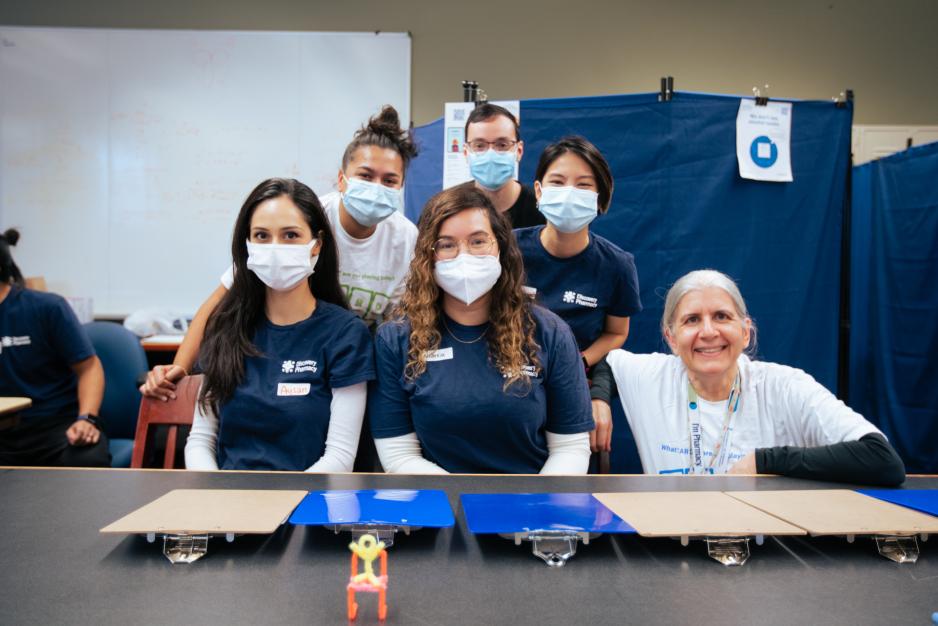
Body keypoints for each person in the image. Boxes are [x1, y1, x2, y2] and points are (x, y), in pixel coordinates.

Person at [142, 105, 416, 400]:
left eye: (389, 180)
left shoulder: (405, 238)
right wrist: (180, 368)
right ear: (341, 179)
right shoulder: (305, 221)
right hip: (284, 360)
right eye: (365, 175)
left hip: (351, 366)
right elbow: (218, 302)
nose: (377, 187)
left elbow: (397, 325)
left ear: (401, 185)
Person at [606, 269, 905, 485]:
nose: (709, 332)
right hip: (669, 552)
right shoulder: (652, 376)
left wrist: (765, 462)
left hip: (766, 555)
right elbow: (604, 365)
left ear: (745, 331)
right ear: (671, 338)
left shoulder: (785, 387)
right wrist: (598, 399)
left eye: (722, 316)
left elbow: (882, 460)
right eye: (692, 320)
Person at [369, 185, 594, 474]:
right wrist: (460, 503)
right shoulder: (396, 339)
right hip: (437, 507)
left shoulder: (550, 332)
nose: (465, 255)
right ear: (428, 256)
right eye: (447, 245)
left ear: (500, 246)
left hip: (529, 508)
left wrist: (536, 507)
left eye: (478, 241)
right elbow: (399, 454)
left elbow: (570, 448)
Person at [184, 178, 374, 472]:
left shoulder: (346, 334)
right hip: (228, 505)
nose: (275, 248)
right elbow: (200, 440)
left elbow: (340, 457)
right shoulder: (227, 327)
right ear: (247, 245)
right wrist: (215, 494)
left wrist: (284, 507)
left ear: (316, 244)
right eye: (261, 236)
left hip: (307, 506)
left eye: (290, 235)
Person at [515, 136, 641, 453]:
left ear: (600, 198)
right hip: (508, 382)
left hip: (571, 387)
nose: (570, 192)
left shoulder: (617, 265)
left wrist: (576, 363)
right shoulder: (509, 250)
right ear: (539, 192)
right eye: (558, 182)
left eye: (584, 185)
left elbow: (616, 333)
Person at [0, 228, 109, 467]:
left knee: (88, 460)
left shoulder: (46, 307)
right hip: (3, 434)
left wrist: (87, 419)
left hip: (55, 426)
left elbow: (89, 368)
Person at [458, 103, 545, 229]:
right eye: (479, 146)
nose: (491, 154)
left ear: (519, 151)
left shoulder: (542, 210)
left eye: (502, 145)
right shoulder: (446, 209)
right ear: (466, 152)